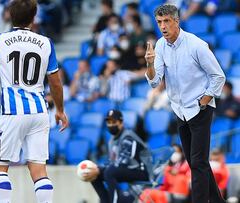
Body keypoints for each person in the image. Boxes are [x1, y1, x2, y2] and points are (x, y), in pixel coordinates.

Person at [0, 0, 69, 202]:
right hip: (39, 112)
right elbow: (55, 83)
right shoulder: (46, 43)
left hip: (13, 112)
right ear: (33, 17)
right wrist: (59, 110)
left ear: (10, 16)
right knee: (39, 170)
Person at [144, 4, 226, 203]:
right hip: (179, 110)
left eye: (166, 21)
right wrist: (149, 64)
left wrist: (205, 99)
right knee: (195, 162)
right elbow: (155, 81)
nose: (163, 27)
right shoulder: (161, 45)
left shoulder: (196, 45)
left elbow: (218, 76)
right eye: (159, 22)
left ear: (177, 21)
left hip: (200, 108)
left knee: (198, 162)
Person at [83, 110, 150, 203]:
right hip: (127, 170)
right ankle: (105, 201)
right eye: (109, 122)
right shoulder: (112, 140)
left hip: (141, 171)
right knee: (94, 173)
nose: (111, 125)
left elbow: (123, 162)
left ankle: (116, 200)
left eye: (114, 122)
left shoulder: (128, 137)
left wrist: (100, 169)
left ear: (121, 122)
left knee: (109, 172)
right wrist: (97, 169)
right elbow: (112, 162)